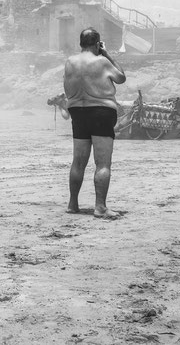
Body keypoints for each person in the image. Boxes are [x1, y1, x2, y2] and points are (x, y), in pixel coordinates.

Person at [63, 27, 126, 220]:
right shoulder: (102, 61)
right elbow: (121, 77)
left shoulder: (70, 62)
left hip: (78, 113)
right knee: (103, 163)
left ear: (80, 43)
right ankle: (100, 207)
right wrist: (106, 53)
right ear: (97, 44)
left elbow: (67, 87)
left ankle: (73, 204)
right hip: (101, 112)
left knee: (78, 162)